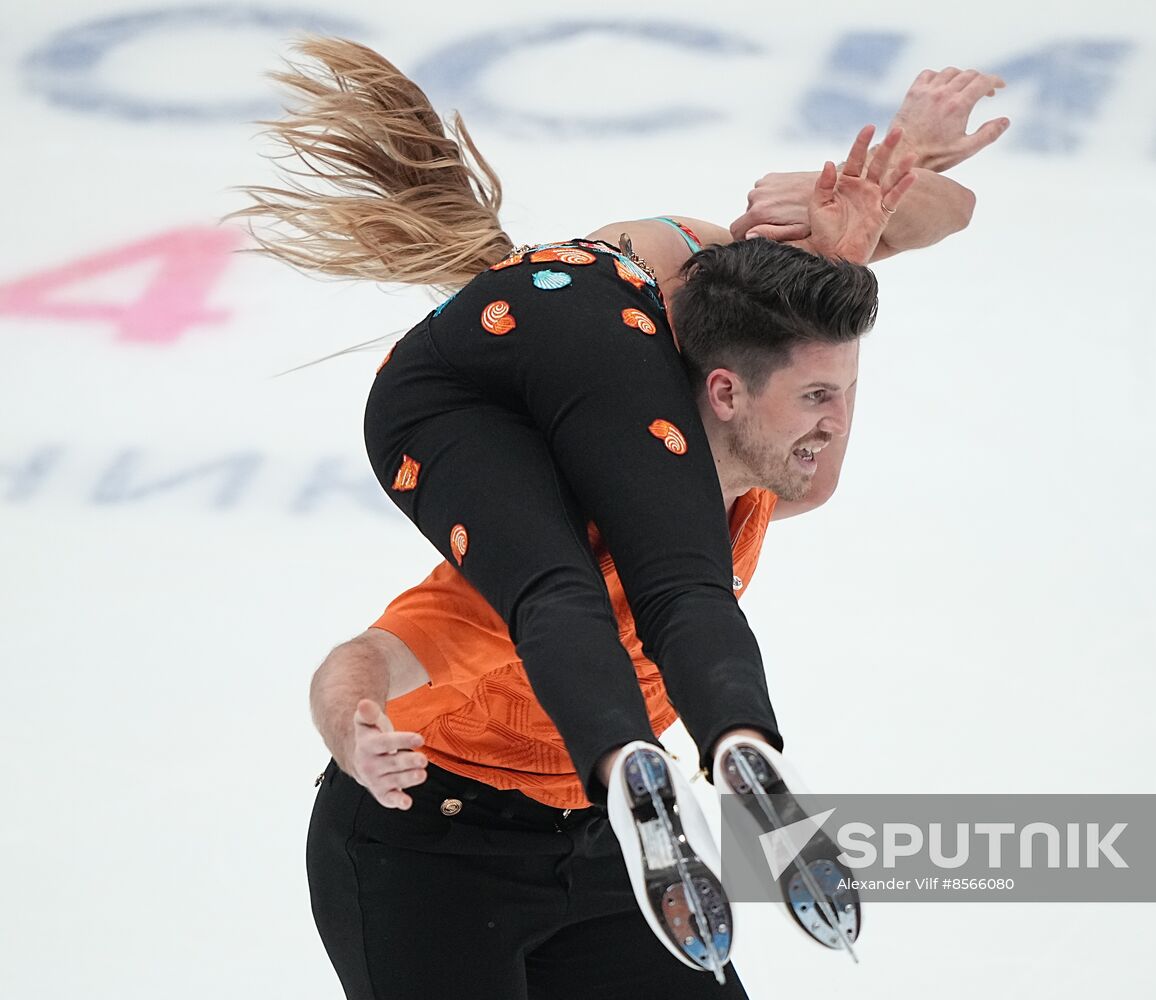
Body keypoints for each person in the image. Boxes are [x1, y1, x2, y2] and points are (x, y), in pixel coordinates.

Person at [238, 39, 1008, 999]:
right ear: (722, 395)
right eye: (812, 401)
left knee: (652, 585)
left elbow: (889, 263)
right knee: (602, 592)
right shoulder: (601, 475)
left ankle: (685, 761)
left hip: (608, 849)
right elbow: (367, 659)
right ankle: (737, 747)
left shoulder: (767, 463)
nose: (830, 429)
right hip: (428, 849)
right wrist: (351, 732)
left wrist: (894, 175)